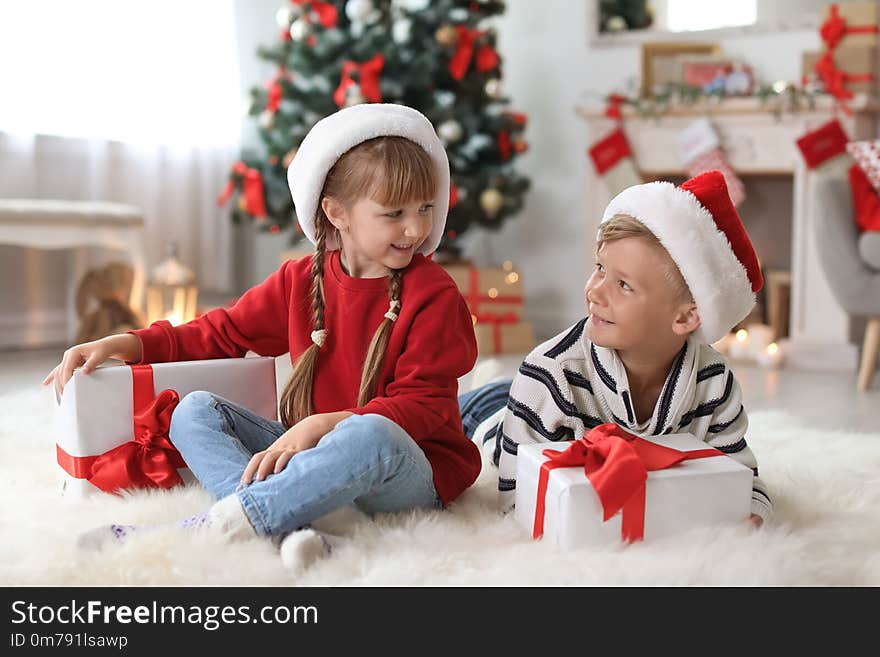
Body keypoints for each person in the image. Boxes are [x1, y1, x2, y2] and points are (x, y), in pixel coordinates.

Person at [43, 103, 481, 571]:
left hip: (409, 473)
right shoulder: (300, 281)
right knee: (190, 411)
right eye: (394, 213)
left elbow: (424, 407)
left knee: (370, 430)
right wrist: (128, 343)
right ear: (336, 213)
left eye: (426, 208)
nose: (416, 228)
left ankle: (221, 524)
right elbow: (221, 332)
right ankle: (283, 527)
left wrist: (320, 424)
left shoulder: (434, 294)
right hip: (316, 455)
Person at [464, 170, 772, 527]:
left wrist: (750, 516)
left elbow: (742, 477)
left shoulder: (713, 383)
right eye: (600, 268)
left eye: (623, 284)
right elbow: (516, 496)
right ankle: (486, 391)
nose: (595, 291)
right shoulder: (550, 374)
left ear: (688, 317)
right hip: (493, 416)